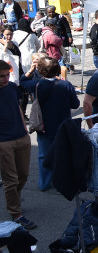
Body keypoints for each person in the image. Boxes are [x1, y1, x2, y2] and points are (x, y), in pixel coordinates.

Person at [20, 56, 79, 191]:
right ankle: (62, 182)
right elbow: (75, 104)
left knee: (44, 155)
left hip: (44, 126)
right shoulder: (66, 85)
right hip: (63, 126)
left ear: (40, 71)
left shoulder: (37, 84)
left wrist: (30, 70)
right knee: (63, 154)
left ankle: (44, 183)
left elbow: (23, 81)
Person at [0, 60, 34, 230]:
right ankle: (16, 213)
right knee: (10, 180)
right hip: (3, 142)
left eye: (7, 75)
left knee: (24, 175)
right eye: (2, 76)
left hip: (21, 137)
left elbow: (18, 108)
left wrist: (25, 130)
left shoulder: (12, 87)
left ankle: (14, 200)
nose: (6, 79)